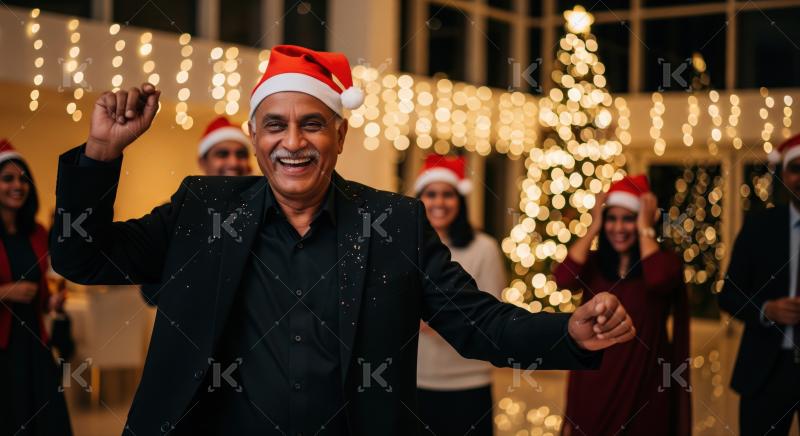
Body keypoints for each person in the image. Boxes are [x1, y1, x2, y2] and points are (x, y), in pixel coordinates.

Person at [50, 44, 636, 436]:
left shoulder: (394, 222)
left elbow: (476, 321)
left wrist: (566, 333)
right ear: (255, 134)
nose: (292, 142)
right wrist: (101, 153)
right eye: (275, 124)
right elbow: (81, 255)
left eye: (312, 123)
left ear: (340, 134)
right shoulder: (203, 209)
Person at [554, 175, 690, 436]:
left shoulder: (665, 262)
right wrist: (594, 225)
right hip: (595, 379)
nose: (619, 227)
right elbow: (563, 278)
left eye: (628, 218)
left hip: (645, 381)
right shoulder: (593, 264)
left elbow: (659, 280)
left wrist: (645, 229)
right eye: (612, 218)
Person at [414, 154, 505, 436]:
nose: (439, 202)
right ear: (418, 200)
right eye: (431, 194)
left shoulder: (485, 248)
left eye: (447, 195)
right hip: (415, 378)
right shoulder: (403, 245)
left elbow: (491, 313)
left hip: (468, 381)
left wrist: (434, 323)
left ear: (460, 200)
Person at [720, 133, 800, 435]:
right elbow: (728, 296)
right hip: (766, 372)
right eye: (796, 169)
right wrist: (767, 309)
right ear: (784, 175)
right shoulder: (758, 227)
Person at [0, 139, 72, 436]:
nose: (18, 185)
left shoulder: (38, 232)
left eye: (23, 179)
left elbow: (42, 287)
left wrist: (50, 302)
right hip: (3, 347)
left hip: (34, 342)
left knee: (47, 421)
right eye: (8, 179)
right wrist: (4, 292)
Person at [140, 116, 252, 305]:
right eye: (222, 154)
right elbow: (151, 294)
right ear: (202, 162)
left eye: (241, 154)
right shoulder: (175, 214)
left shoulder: (263, 210)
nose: (233, 162)